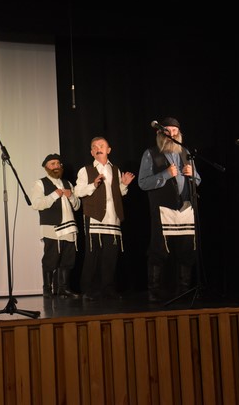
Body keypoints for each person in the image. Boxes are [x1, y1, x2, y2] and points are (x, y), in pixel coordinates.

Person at [138, 117, 201, 302]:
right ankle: (154, 291)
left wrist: (193, 175)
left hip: (185, 208)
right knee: (159, 250)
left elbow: (198, 180)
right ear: (160, 133)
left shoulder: (186, 153)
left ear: (179, 134)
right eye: (168, 130)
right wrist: (165, 174)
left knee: (186, 250)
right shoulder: (151, 153)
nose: (172, 134)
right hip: (163, 209)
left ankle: (183, 289)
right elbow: (143, 183)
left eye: (175, 131)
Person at [74, 136, 135, 300]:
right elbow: (77, 192)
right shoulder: (85, 170)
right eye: (94, 147)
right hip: (95, 217)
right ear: (91, 152)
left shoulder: (115, 170)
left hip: (112, 217)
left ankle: (107, 288)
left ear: (108, 150)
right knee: (93, 254)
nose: (98, 148)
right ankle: (88, 289)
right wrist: (93, 185)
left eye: (101, 145)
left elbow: (118, 194)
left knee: (110, 255)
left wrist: (124, 184)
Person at [30, 153, 81, 299]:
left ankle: (63, 289)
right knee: (51, 259)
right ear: (46, 167)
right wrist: (53, 195)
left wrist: (71, 196)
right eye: (52, 164)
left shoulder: (68, 183)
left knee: (68, 260)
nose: (56, 166)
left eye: (58, 163)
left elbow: (77, 206)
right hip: (52, 228)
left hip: (69, 228)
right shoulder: (40, 183)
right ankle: (47, 289)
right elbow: (36, 204)